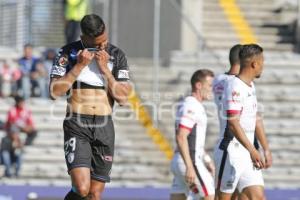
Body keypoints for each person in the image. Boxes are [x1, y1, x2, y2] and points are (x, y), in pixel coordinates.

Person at [49, 14, 132, 200]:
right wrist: (79, 66)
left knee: (94, 194)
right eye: (97, 43)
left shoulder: (117, 55)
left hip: (104, 126)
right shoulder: (67, 53)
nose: (103, 46)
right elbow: (54, 92)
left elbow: (123, 98)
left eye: (105, 40)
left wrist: (105, 70)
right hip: (77, 124)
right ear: (84, 38)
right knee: (82, 188)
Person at [214, 44, 272, 200]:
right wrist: (253, 150)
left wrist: (264, 149)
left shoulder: (250, 86)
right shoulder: (234, 86)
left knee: (257, 197)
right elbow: (233, 123)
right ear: (254, 64)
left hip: (247, 152)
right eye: (262, 62)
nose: (263, 67)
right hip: (231, 150)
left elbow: (255, 119)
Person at [170, 69, 215, 200]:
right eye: (209, 85)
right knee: (209, 196)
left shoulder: (192, 105)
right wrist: (189, 166)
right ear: (198, 85)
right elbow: (181, 136)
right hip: (189, 161)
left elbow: (193, 140)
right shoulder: (191, 105)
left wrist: (206, 159)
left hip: (181, 160)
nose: (211, 89)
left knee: (178, 197)